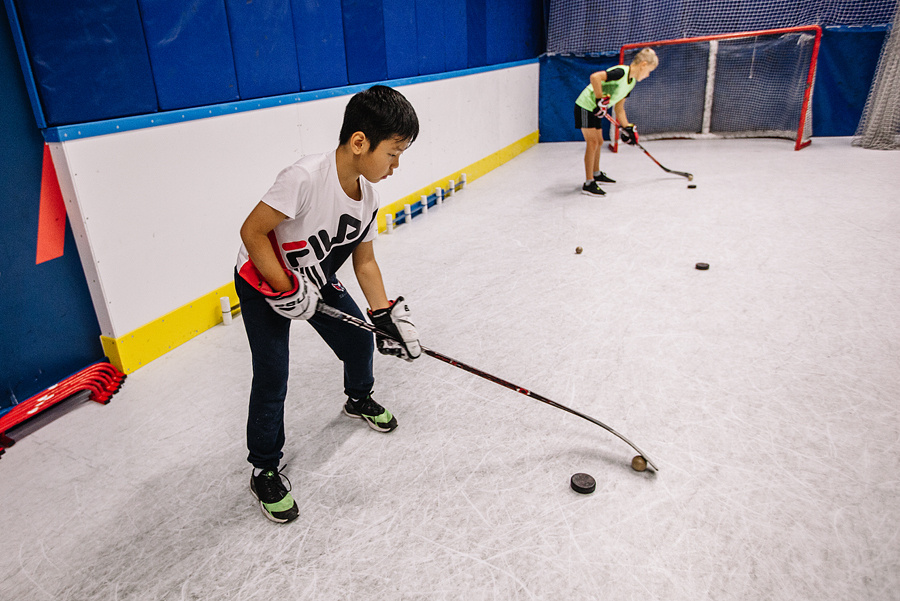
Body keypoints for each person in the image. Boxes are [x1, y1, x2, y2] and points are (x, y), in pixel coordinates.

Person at [234, 85, 422, 523]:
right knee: (272, 373)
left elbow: (366, 262)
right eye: (393, 154)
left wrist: (385, 316)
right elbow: (252, 232)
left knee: (358, 344)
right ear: (359, 142)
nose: (396, 166)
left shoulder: (369, 199)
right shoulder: (304, 177)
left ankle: (358, 399)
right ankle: (263, 466)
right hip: (263, 280)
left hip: (315, 278)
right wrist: (284, 287)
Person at [574, 47, 658, 196]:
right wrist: (600, 100)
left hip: (598, 109)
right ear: (643, 65)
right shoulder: (621, 72)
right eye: (649, 71)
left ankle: (596, 173)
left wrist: (628, 128)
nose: (648, 75)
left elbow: (620, 109)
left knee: (599, 142)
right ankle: (588, 183)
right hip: (586, 106)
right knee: (592, 142)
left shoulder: (631, 82)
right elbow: (595, 77)